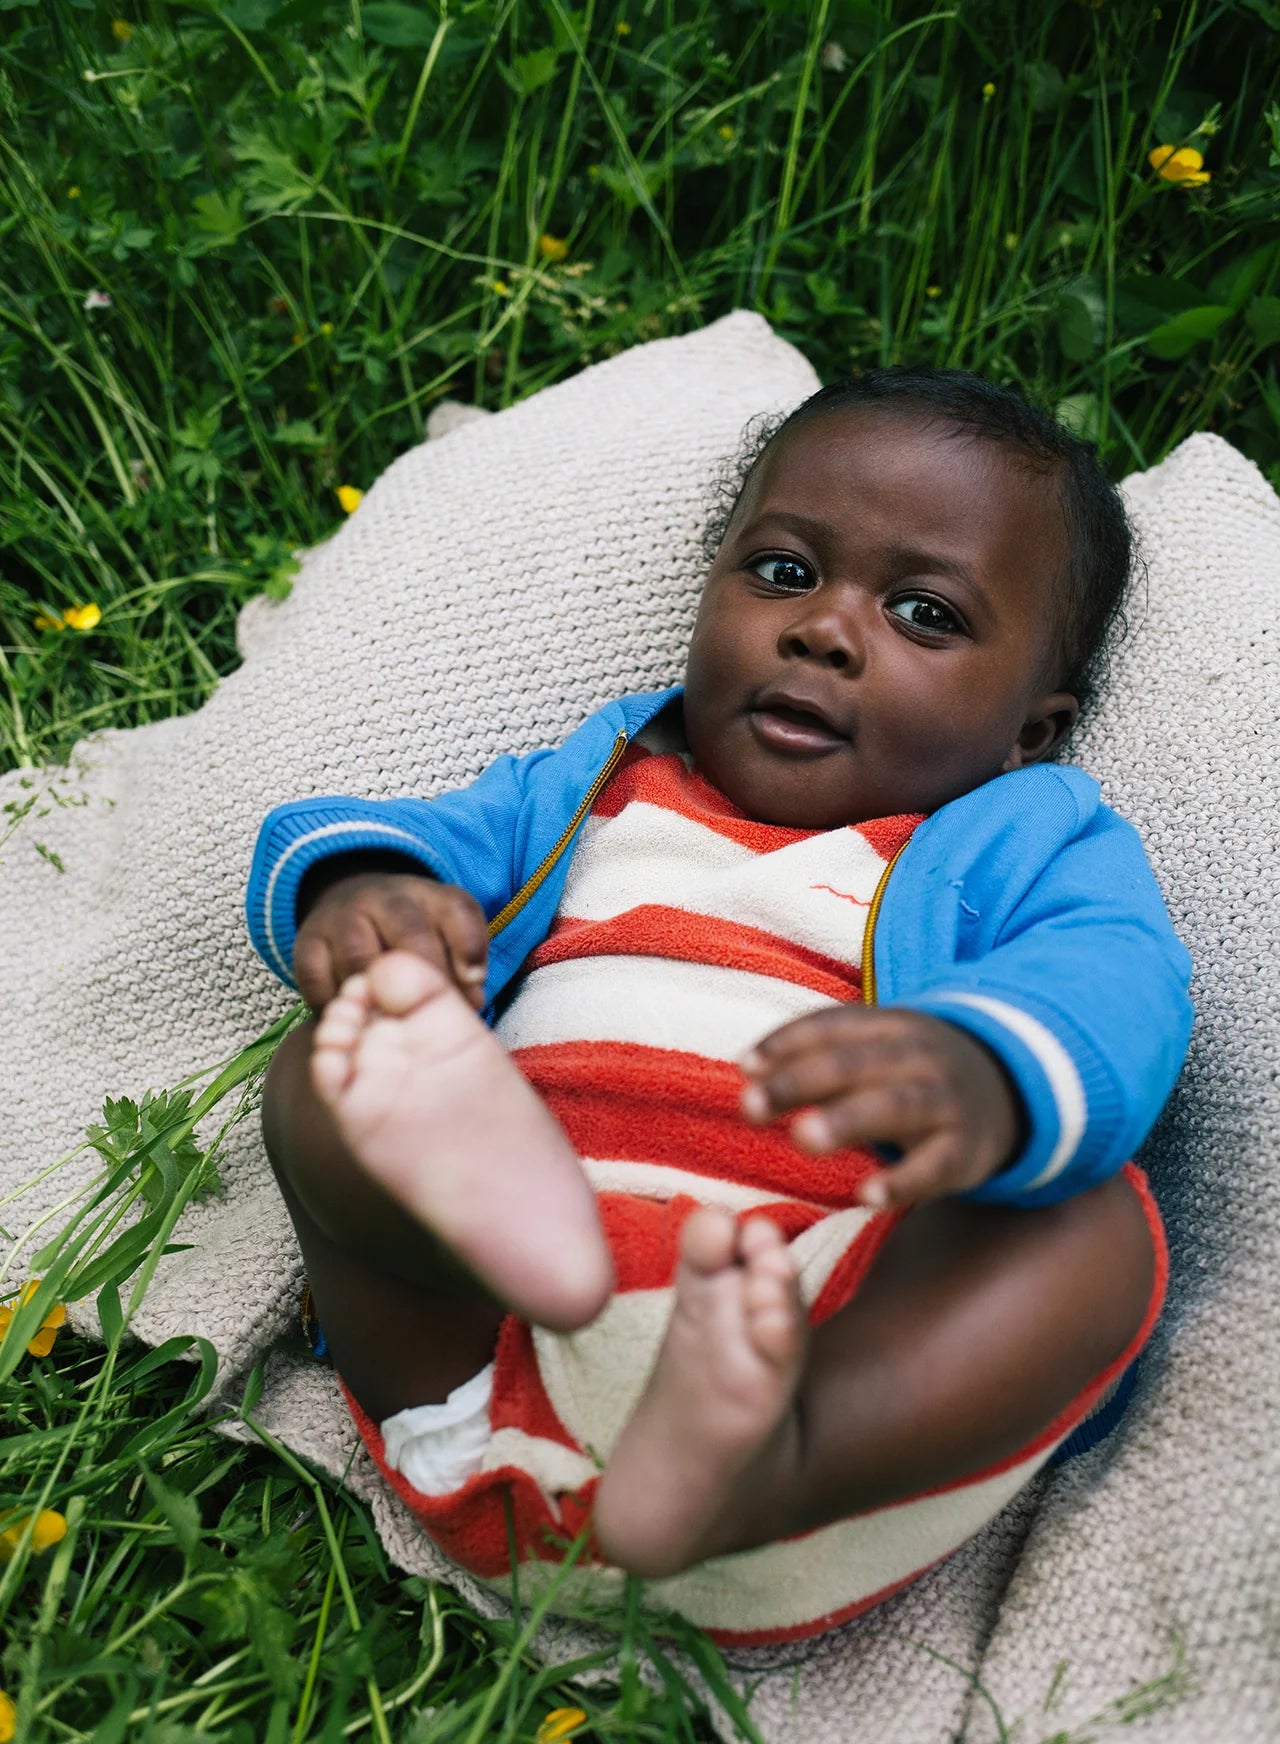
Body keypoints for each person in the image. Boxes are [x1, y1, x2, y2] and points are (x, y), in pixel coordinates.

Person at [249, 369, 1192, 1643]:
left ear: (1032, 730)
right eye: (784, 573)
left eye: (921, 612)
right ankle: (525, 1238)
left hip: (815, 1359)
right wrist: (375, 897)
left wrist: (982, 1071)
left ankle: (772, 1451)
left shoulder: (1026, 837)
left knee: (1091, 1227)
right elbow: (387, 840)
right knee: (334, 1066)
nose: (824, 632)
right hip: (480, 1376)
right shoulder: (599, 781)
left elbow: (1116, 982)